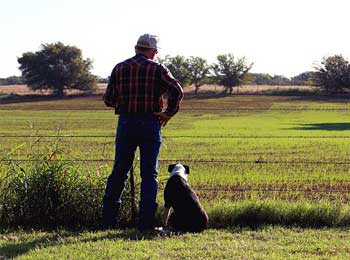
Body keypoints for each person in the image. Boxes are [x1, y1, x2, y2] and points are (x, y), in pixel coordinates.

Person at [102, 34, 184, 231]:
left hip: (126, 122)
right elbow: (177, 91)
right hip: (150, 122)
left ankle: (108, 221)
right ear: (154, 52)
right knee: (149, 174)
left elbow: (108, 99)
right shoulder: (157, 68)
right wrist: (167, 114)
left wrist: (124, 104)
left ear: (136, 48)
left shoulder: (119, 68)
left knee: (119, 171)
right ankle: (145, 223)